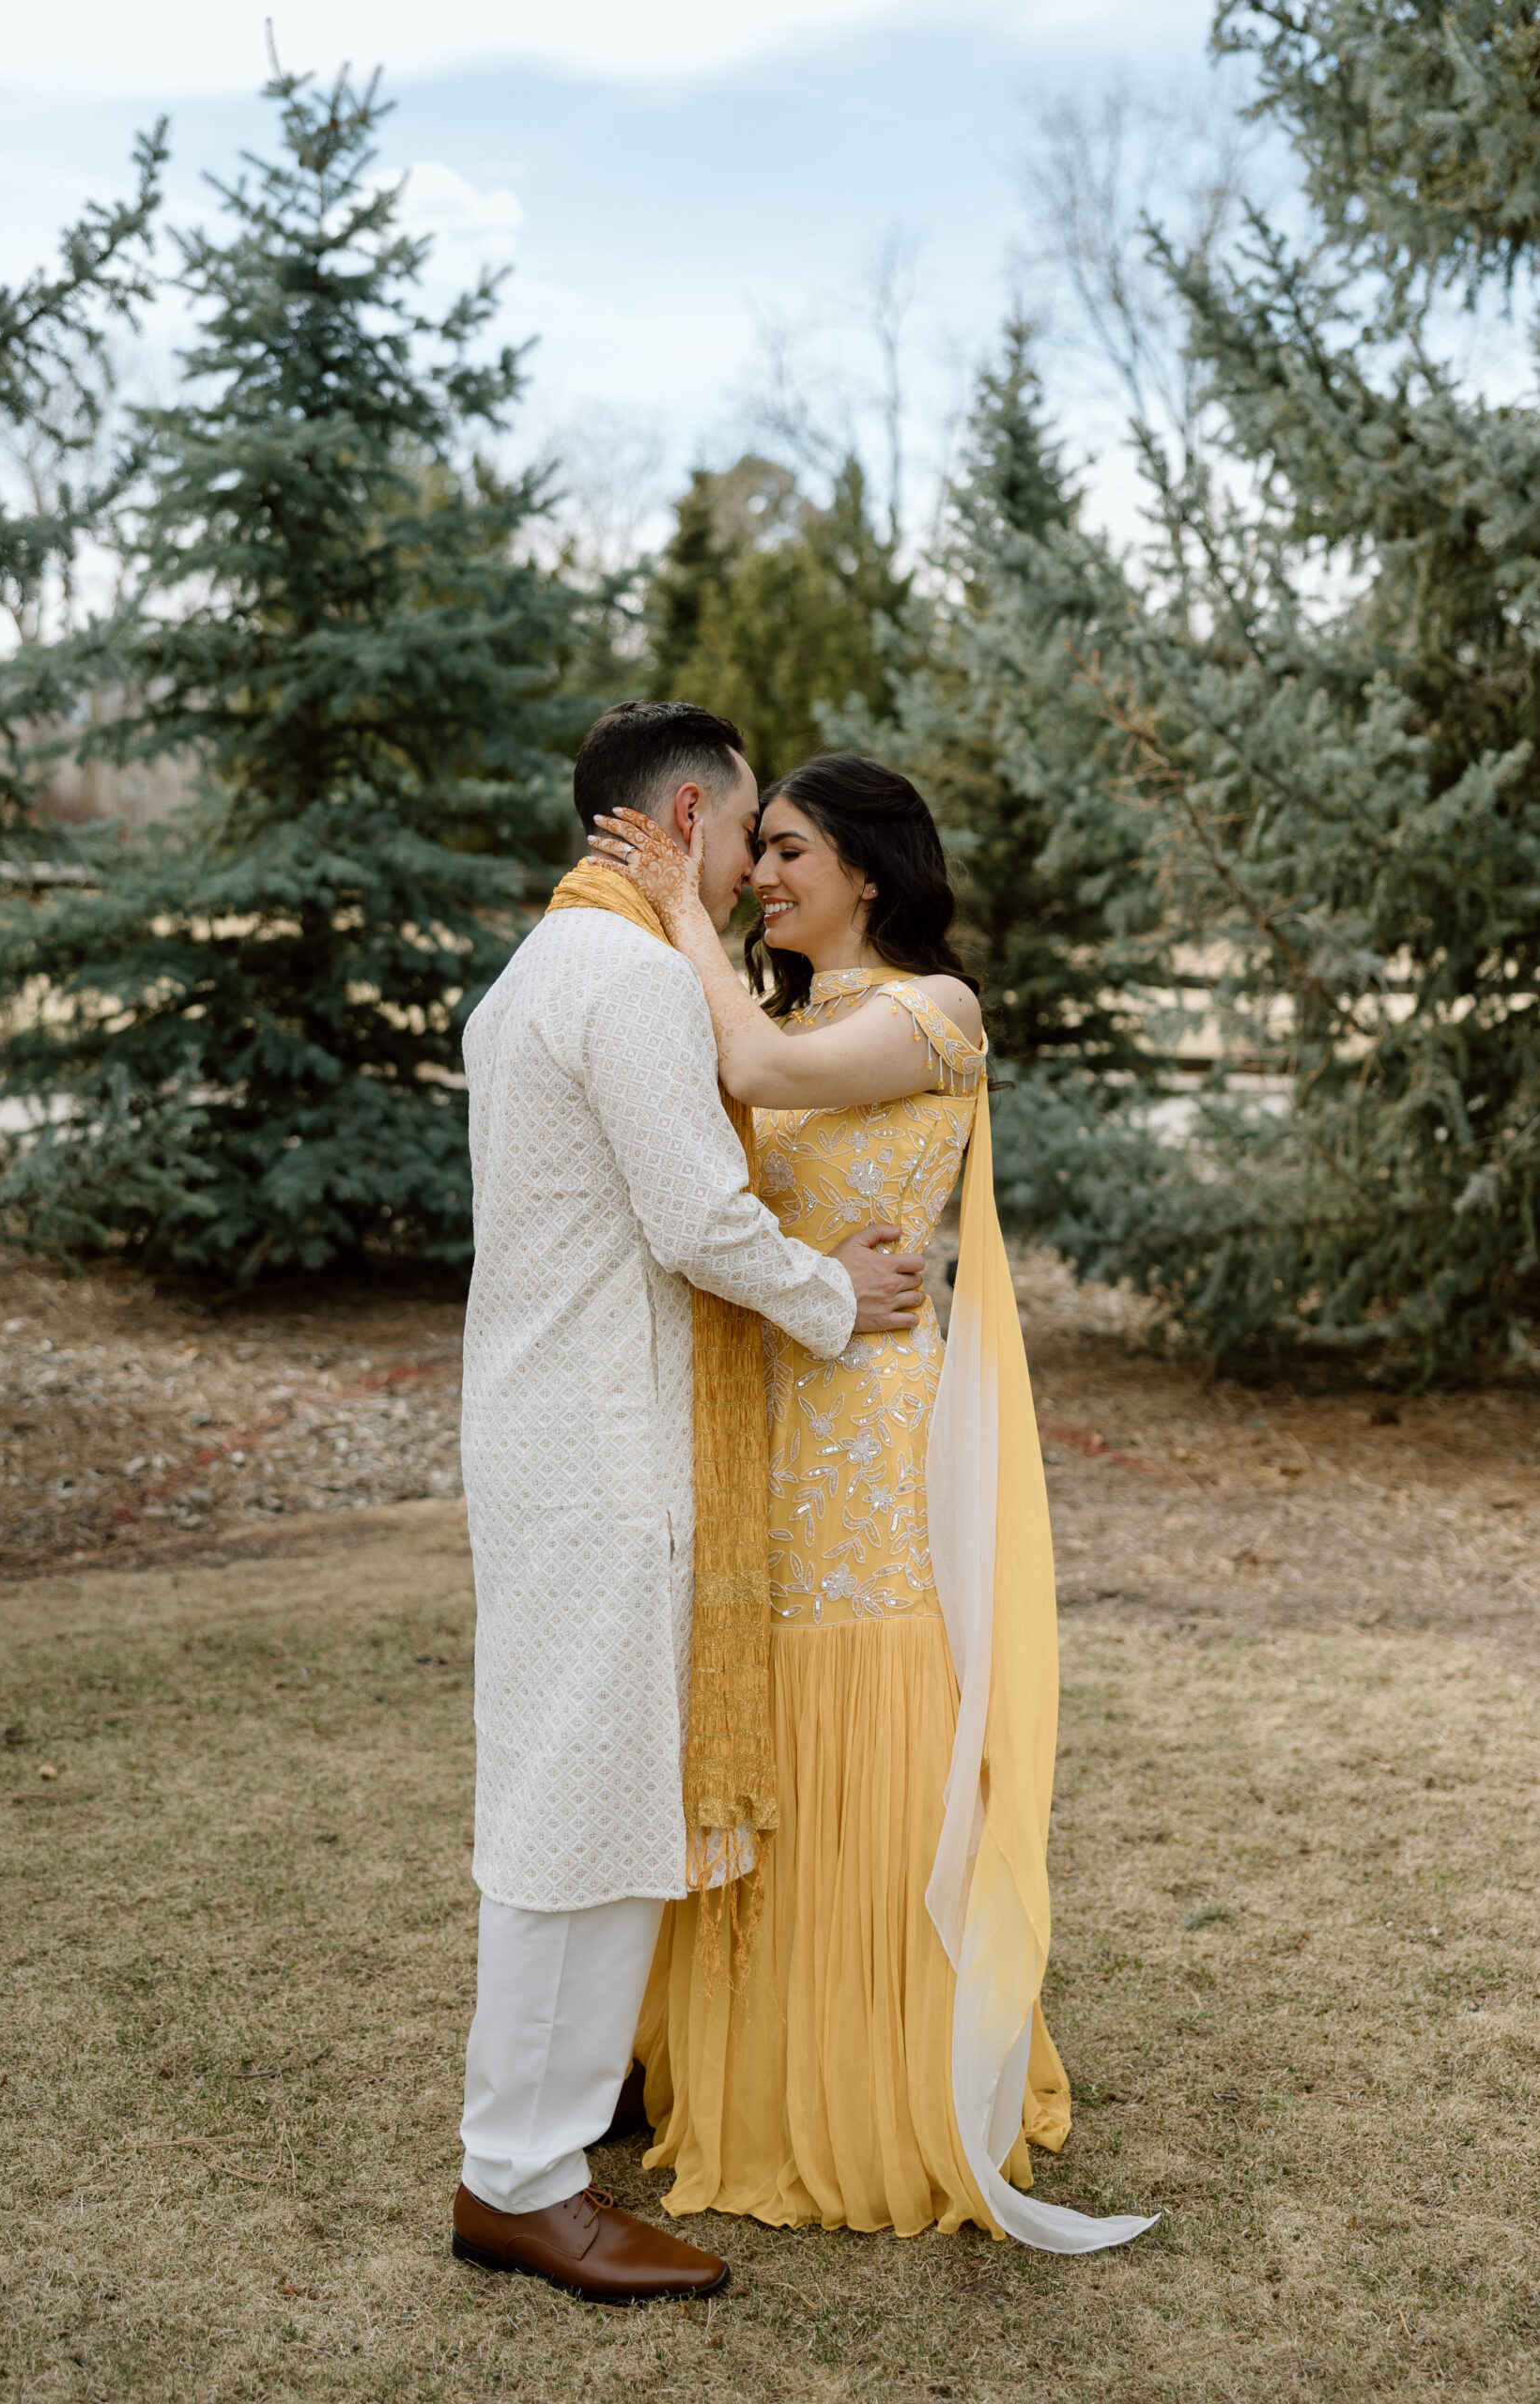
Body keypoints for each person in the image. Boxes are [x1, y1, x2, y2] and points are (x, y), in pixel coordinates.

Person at [590, 752, 1154, 2254]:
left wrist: (673, 910)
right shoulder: (764, 1011)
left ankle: (890, 2078)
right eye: (754, 853)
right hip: (769, 1411)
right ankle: (747, 2068)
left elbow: (764, 1089)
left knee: (878, 1705)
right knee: (757, 1705)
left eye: (788, 851)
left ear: (869, 871)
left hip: (878, 1435)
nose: (762, 876)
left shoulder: (935, 1013)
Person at [452, 704, 931, 2304]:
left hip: (544, 1431)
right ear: (681, 816)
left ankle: (567, 2119)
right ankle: (517, 2179)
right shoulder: (639, 979)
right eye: (742, 835)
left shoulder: (534, 970)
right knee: (569, 1810)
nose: (742, 872)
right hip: (605, 1443)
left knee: (586, 1788)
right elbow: (698, 1220)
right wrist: (833, 1291)